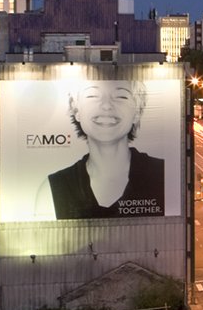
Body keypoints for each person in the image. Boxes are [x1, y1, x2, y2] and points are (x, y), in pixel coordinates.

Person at [32, 78, 167, 219]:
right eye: (92, 96)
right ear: (76, 109)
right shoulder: (53, 190)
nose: (106, 105)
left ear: (137, 112)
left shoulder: (163, 175)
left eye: (121, 96)